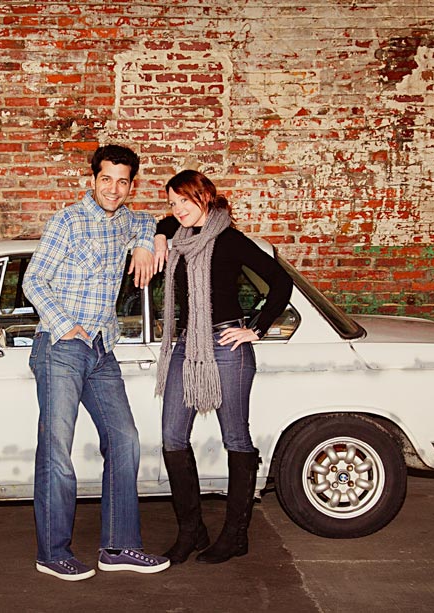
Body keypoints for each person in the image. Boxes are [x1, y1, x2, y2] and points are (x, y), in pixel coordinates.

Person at [22, 144, 171, 581]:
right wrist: (65, 324)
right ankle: (52, 553)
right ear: (92, 180)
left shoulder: (127, 219)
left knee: (125, 440)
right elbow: (34, 280)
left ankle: (119, 546)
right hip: (61, 347)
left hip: (103, 348)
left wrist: (149, 242)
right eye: (106, 179)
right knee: (56, 452)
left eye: (123, 181)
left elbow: (149, 221)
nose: (114, 188)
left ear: (130, 185)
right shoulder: (68, 220)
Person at [152, 169, 293, 565]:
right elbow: (162, 221)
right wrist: (163, 231)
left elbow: (280, 283)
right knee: (172, 438)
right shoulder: (179, 239)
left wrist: (256, 330)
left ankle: (235, 535)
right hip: (186, 344)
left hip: (227, 344)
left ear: (206, 198)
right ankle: (191, 530)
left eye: (186, 201)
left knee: (236, 437)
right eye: (173, 202)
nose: (178, 209)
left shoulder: (229, 240)